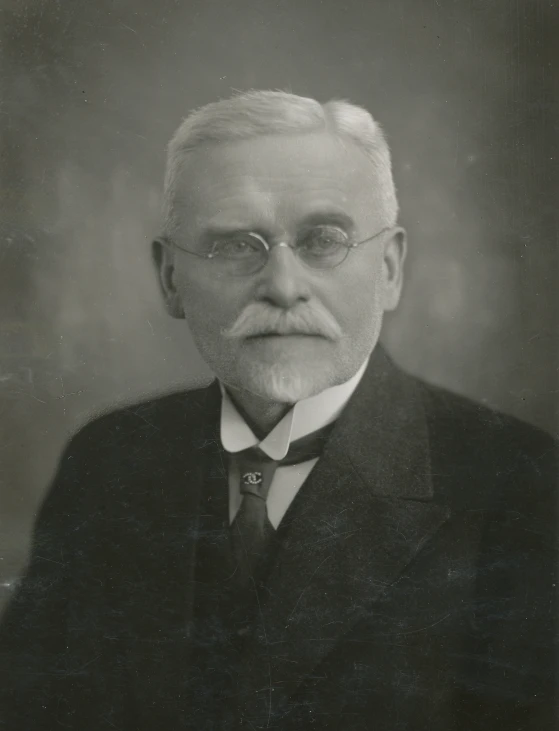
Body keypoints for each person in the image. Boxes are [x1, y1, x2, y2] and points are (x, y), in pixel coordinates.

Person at [0, 90, 556, 731]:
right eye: (236, 245)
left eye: (325, 240)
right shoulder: (105, 463)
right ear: (171, 279)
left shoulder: (524, 486)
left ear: (391, 269)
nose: (284, 286)